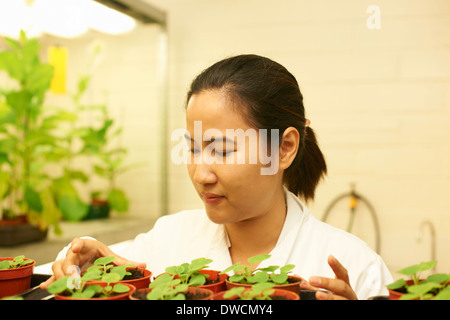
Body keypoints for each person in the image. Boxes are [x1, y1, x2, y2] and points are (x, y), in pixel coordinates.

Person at [40, 54, 392, 300]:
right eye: (192, 148)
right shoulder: (170, 239)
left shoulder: (355, 268)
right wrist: (86, 266)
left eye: (221, 150)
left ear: (283, 148)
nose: (200, 174)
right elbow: (70, 270)